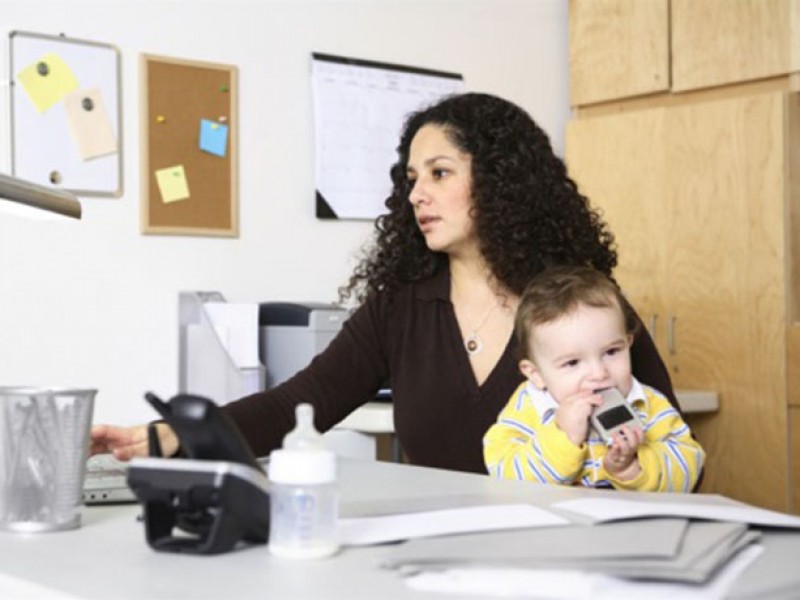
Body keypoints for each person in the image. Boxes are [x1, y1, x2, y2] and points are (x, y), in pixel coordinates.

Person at [91, 92, 679, 475]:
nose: (416, 194)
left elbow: (678, 449)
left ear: (503, 182)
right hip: (437, 563)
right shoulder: (399, 308)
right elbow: (294, 407)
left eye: (440, 173)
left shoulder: (582, 305)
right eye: (410, 178)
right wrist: (173, 436)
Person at [483, 265, 705, 492]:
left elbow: (689, 465)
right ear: (536, 375)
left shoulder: (648, 404)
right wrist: (563, 437)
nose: (599, 374)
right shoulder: (528, 407)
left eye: (611, 352)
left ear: (628, 344)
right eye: (572, 363)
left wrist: (632, 467)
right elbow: (504, 475)